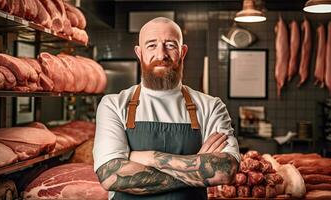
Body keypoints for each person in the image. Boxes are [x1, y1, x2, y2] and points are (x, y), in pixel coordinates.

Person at [93, 17, 240, 200]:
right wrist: (198, 168)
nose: (161, 54)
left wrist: (147, 157)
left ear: (183, 51)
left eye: (170, 45)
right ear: (139, 53)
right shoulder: (113, 104)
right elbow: (110, 176)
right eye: (151, 45)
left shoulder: (211, 106)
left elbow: (226, 170)